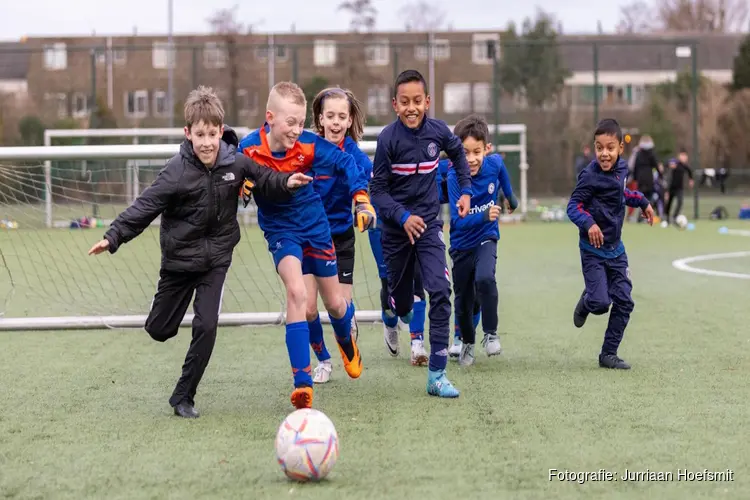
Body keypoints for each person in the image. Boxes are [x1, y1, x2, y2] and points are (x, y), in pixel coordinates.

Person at [88, 86, 311, 418]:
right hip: (179, 261)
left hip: (216, 260)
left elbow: (265, 179)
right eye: (200, 134)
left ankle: (183, 396)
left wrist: (287, 183)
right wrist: (114, 236)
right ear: (187, 133)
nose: (207, 142)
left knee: (207, 325)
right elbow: (144, 207)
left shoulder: (236, 163)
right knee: (159, 330)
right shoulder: (175, 172)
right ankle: (161, 313)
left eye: (212, 134)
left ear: (221, 132)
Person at [237, 81, 374, 409]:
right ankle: (303, 384)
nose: (298, 130)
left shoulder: (310, 145)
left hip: (316, 228)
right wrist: (240, 190)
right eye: (291, 123)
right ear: (270, 117)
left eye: (301, 123)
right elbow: (235, 176)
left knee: (336, 304)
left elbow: (345, 163)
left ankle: (346, 342)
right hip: (281, 232)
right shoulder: (248, 149)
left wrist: (361, 199)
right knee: (298, 295)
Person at [370, 69, 472, 398]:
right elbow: (378, 191)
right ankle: (391, 309)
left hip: (428, 226)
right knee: (402, 305)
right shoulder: (387, 140)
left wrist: (466, 191)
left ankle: (437, 375)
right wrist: (402, 217)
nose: (412, 107)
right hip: (396, 232)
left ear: (427, 102)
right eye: (405, 102)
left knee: (441, 292)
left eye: (417, 101)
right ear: (394, 106)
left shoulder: (438, 132)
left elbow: (457, 154)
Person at [566, 118, 654, 370]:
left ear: (619, 149)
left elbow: (621, 194)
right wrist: (589, 223)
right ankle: (586, 302)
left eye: (610, 148)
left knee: (625, 301)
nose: (604, 153)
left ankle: (608, 354)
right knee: (601, 303)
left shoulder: (622, 170)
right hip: (592, 250)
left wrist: (642, 202)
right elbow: (573, 206)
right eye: (599, 147)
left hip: (616, 249)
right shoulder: (589, 176)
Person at [306, 87, 371, 384]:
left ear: (349, 120)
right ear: (320, 118)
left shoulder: (354, 156)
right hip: (310, 236)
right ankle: (323, 360)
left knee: (338, 308)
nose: (335, 122)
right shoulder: (308, 150)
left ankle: (349, 321)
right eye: (329, 115)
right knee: (307, 307)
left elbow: (371, 185)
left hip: (342, 237)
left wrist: (366, 205)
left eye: (341, 117)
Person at [447, 114, 516, 366]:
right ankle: (466, 341)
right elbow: (458, 221)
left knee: (486, 278)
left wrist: (510, 197)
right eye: (465, 153)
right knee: (463, 301)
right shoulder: (454, 177)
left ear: (486, 148)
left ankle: (490, 333)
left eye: (477, 152)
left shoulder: (493, 163)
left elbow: (501, 170)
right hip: (461, 245)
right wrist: (485, 215)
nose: (472, 159)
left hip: (486, 238)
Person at [664, 149, 694, 224]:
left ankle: (674, 217)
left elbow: (690, 171)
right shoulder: (675, 162)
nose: (684, 158)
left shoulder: (685, 166)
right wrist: (670, 165)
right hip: (671, 188)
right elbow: (666, 164)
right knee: (668, 204)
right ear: (679, 156)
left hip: (679, 188)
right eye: (682, 156)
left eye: (685, 156)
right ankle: (666, 218)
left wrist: (691, 180)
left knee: (680, 202)